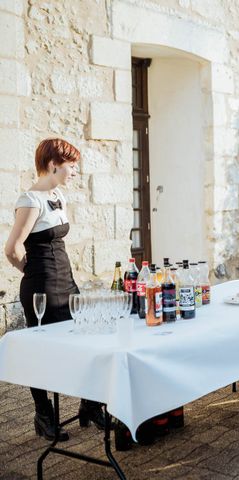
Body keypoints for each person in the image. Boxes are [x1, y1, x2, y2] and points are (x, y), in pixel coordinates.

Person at [4, 138, 105, 441]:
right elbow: (11, 249)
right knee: (42, 351)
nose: (75, 172)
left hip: (67, 281)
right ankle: (43, 415)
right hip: (42, 288)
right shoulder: (30, 200)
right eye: (72, 166)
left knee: (86, 342)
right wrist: (30, 271)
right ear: (53, 165)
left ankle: (90, 405)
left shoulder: (57, 195)